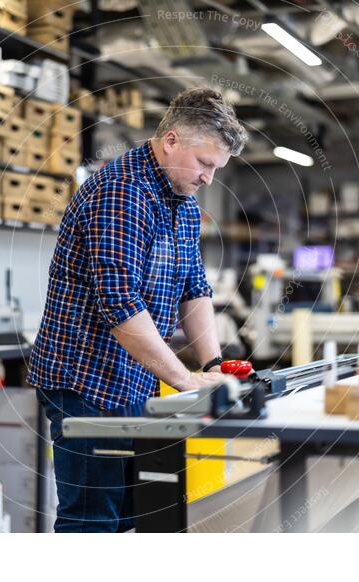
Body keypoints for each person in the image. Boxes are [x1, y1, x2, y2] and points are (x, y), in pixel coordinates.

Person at [29, 88, 248, 532]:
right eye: (205, 164)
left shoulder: (183, 202)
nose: (209, 178)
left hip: (133, 381)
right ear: (170, 140)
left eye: (215, 169)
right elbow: (120, 303)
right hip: (85, 384)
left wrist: (213, 365)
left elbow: (195, 289)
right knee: (91, 522)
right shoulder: (121, 193)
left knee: (135, 517)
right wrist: (185, 380)